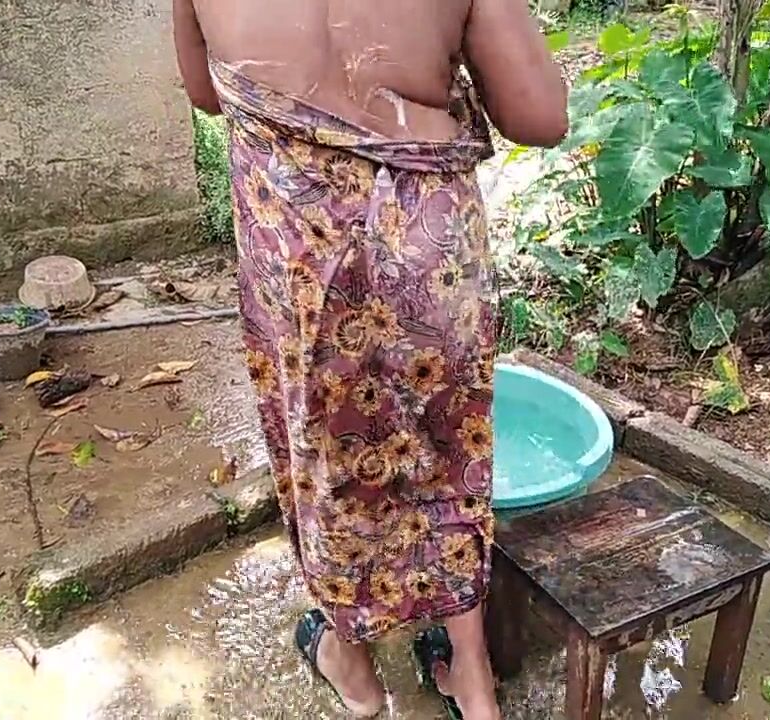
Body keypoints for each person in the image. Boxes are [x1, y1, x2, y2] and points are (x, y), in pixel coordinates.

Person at [173, 2, 567, 718]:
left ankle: (352, 667)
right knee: (447, 451)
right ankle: (472, 678)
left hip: (298, 248)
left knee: (320, 449)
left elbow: (205, 92)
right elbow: (540, 116)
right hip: (426, 241)